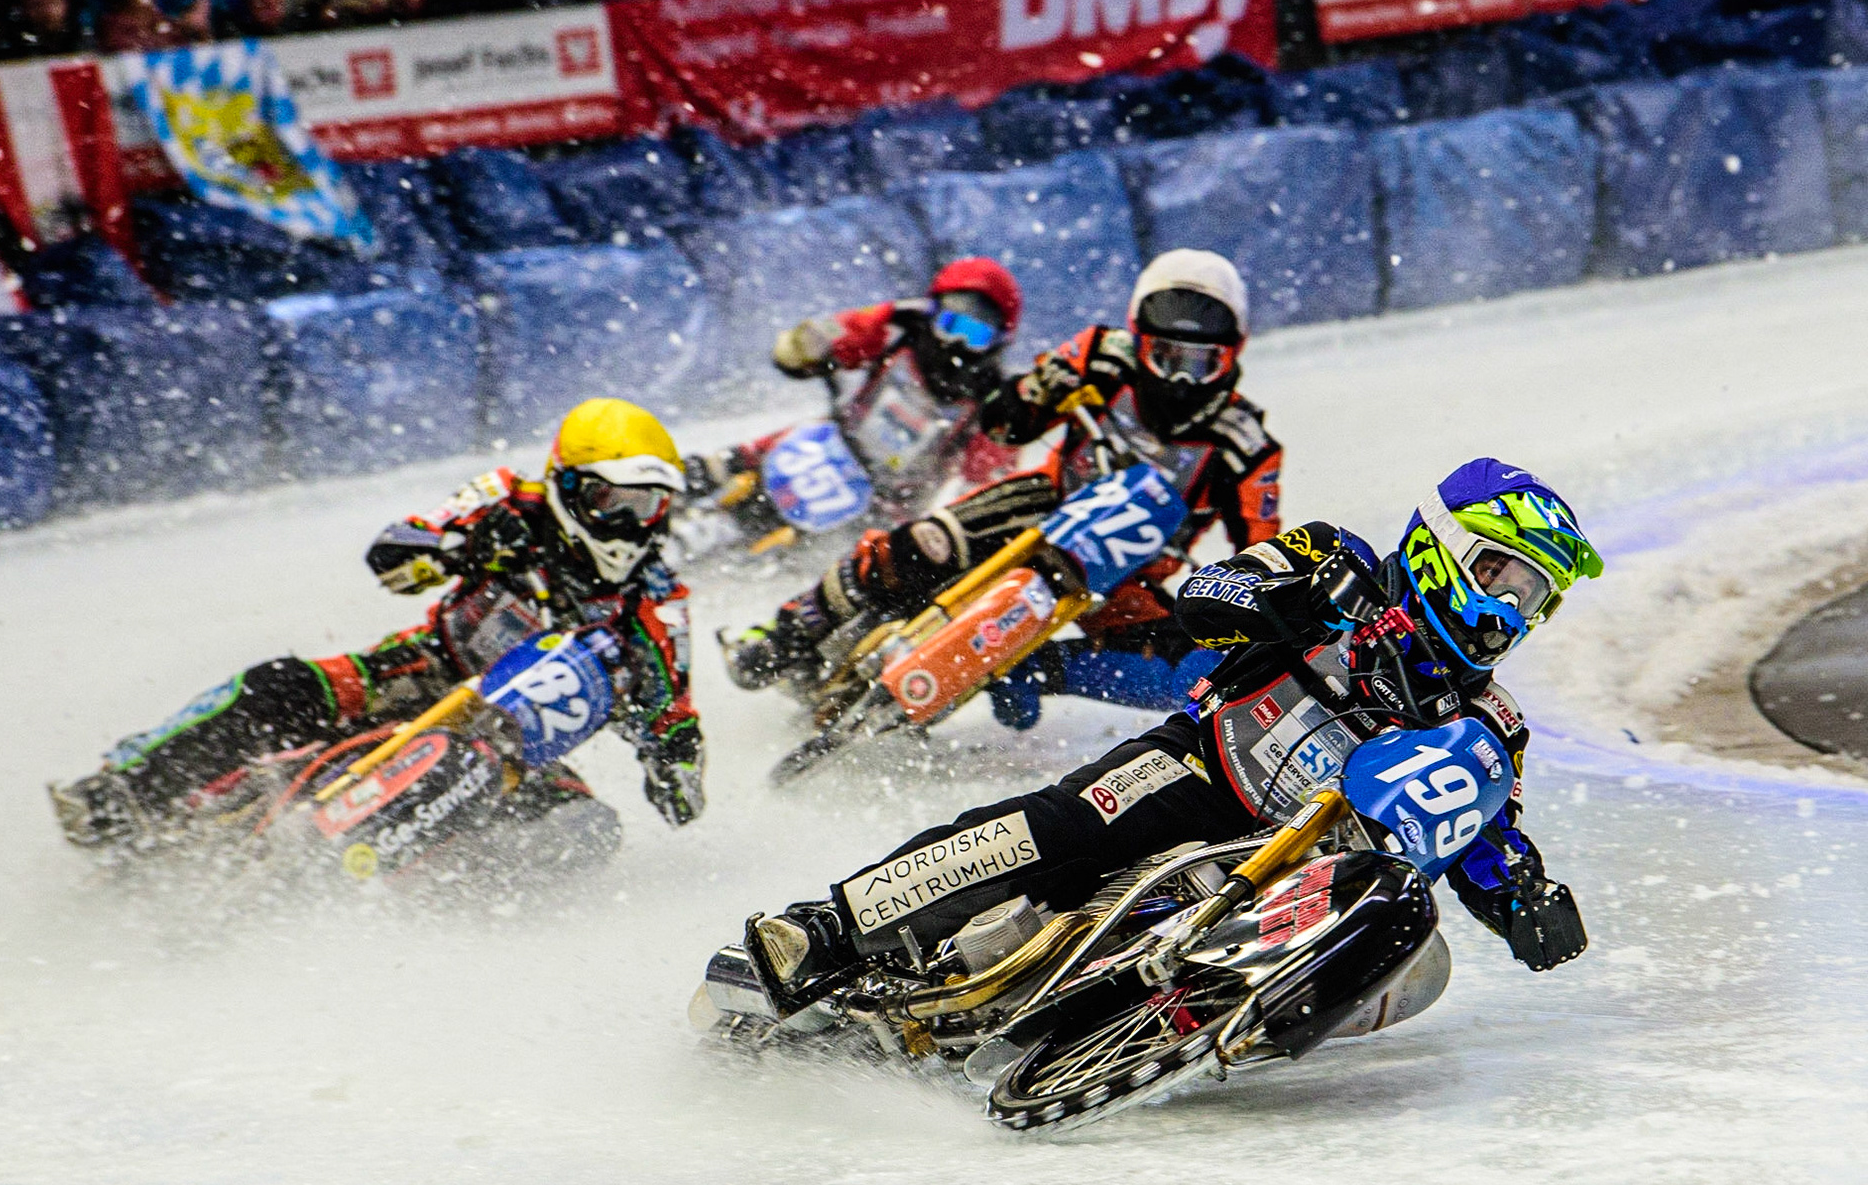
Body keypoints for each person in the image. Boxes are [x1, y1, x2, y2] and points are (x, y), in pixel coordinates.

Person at [747, 458, 1601, 997]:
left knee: (1416, 956)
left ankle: (1173, 1021)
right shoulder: (1335, 558)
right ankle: (827, 926)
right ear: (1447, 544)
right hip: (1203, 770)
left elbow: (1481, 826)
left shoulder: (1492, 721)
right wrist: (1292, 600)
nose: (1509, 609)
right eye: (1502, 575)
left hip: (1302, 870)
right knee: (1060, 828)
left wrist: (1523, 894)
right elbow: (1202, 599)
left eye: (1532, 598)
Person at [51, 398, 707, 845]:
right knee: (281, 685)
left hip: (512, 749)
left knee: (581, 833)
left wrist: (673, 762)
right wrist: (463, 547)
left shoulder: (656, 606)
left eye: (648, 505)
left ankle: (417, 908)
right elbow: (393, 556)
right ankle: (122, 791)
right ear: (566, 485)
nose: (630, 523)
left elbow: (673, 725)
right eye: (610, 500)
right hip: (417, 670)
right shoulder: (509, 498)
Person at [721, 248, 1283, 724]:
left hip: (1131, 569)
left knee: (1196, 671)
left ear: (1232, 353)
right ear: (1139, 338)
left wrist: (1240, 600)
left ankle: (1038, 668)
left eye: (1198, 363)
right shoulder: (1100, 355)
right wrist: (1042, 387)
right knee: (916, 547)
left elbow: (1259, 552)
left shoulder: (1246, 445)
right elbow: (1004, 424)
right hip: (1044, 504)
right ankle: (788, 634)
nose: (1176, 378)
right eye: (1163, 356)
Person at [682, 256, 1024, 550]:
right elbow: (845, 333)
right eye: (950, 324)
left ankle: (743, 571)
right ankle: (670, 488)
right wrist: (809, 346)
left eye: (976, 335)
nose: (958, 343)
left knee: (828, 554)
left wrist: (970, 522)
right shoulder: (900, 325)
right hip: (831, 442)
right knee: (736, 461)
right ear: (933, 311)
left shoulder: (993, 403)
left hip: (885, 505)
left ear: (999, 342)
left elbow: (988, 481)